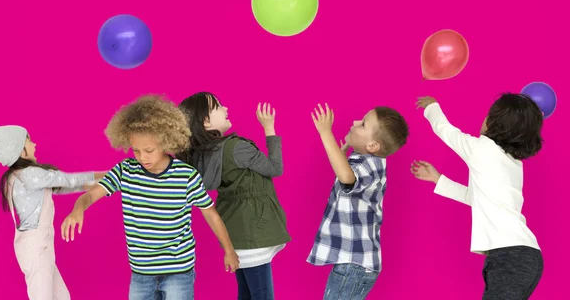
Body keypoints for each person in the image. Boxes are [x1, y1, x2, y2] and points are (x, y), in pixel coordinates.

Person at [60, 95, 239, 300]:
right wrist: (78, 209)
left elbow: (211, 214)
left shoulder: (186, 176)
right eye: (136, 150)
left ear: (165, 142)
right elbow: (91, 195)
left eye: (149, 150)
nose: (142, 157)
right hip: (141, 274)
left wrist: (229, 250)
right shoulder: (125, 171)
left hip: (178, 271)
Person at [412, 94, 545, 299]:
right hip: (526, 256)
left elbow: (446, 131)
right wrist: (439, 180)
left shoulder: (482, 149)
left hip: (509, 256)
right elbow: (476, 198)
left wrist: (432, 107)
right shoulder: (514, 164)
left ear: (493, 123)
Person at [178, 92, 291, 300]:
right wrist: (269, 128)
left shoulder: (203, 155)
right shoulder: (236, 148)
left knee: (247, 293)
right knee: (262, 295)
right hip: (255, 232)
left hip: (234, 234)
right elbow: (275, 168)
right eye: (218, 106)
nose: (225, 108)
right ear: (205, 121)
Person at [0, 125, 104, 300]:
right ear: (20, 150)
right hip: (38, 249)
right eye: (29, 140)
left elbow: (66, 186)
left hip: (36, 249)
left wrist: (105, 184)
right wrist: (112, 175)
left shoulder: (15, 177)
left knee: (62, 296)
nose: (34, 144)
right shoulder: (30, 174)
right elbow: (70, 180)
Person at [307, 103, 409, 300]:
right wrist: (342, 152)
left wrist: (325, 133)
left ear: (372, 146)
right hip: (354, 264)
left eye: (362, 124)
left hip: (354, 265)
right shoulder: (366, 160)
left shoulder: (371, 166)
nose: (354, 123)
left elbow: (347, 177)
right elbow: (346, 174)